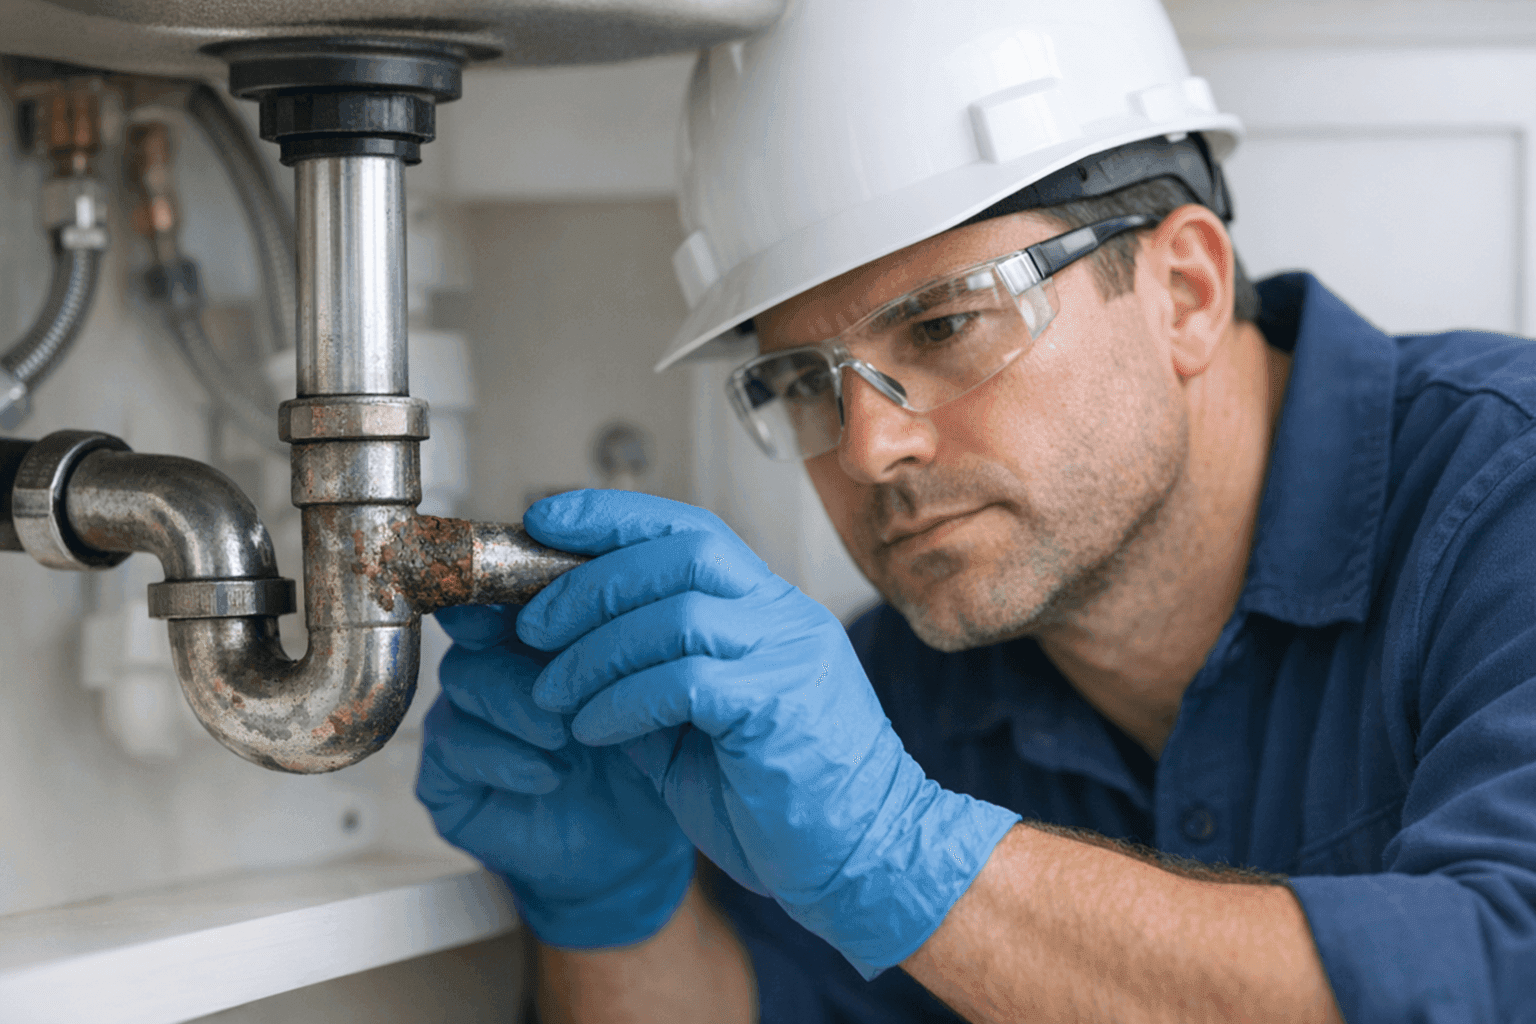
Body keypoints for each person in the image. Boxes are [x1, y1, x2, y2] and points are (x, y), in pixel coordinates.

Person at [415, 1, 1536, 1021]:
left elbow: (1497, 976)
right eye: (805, 380)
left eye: (945, 325)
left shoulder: (1504, 504)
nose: (866, 444)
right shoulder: (901, 697)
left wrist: (903, 855)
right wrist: (615, 912)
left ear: (1184, 292)